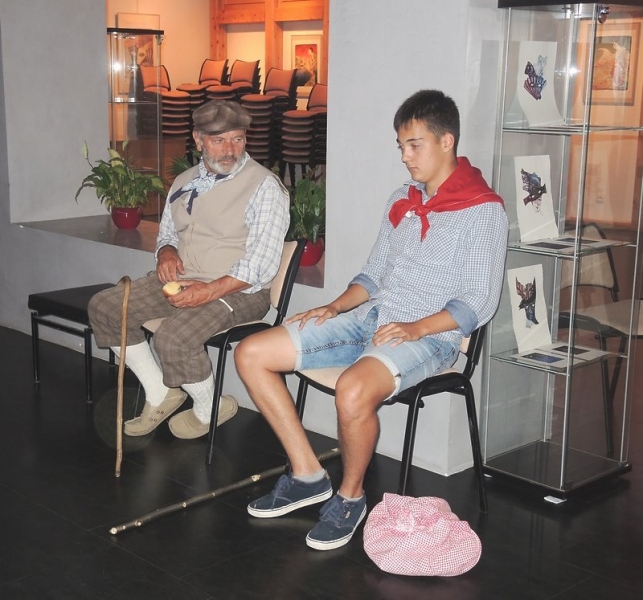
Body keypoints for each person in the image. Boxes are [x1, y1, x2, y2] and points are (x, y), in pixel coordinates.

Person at [234, 89, 508, 551]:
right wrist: (336, 306)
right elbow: (374, 273)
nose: (404, 156)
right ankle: (307, 474)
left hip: (431, 336)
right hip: (374, 316)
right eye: (401, 145)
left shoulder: (484, 209)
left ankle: (350, 497)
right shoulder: (402, 198)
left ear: (446, 141)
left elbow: (480, 301)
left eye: (414, 145)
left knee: (352, 389)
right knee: (252, 352)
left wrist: (417, 328)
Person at [88, 100, 290, 440]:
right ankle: (160, 392)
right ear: (198, 139)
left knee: (173, 338)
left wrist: (208, 290)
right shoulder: (184, 180)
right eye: (219, 140)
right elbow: (168, 233)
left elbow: (261, 265)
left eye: (238, 139)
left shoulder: (264, 186)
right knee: (107, 307)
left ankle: (210, 408)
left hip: (240, 290)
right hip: (184, 280)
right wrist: (166, 252)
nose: (230, 150)